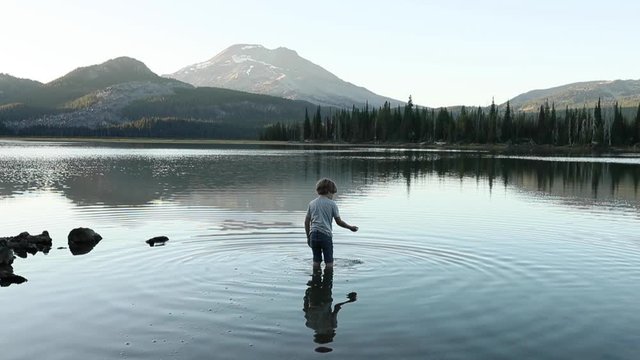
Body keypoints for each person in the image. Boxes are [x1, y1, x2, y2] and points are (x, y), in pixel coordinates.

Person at [304, 178, 358, 269]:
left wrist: (308, 237)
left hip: (313, 235)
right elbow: (339, 222)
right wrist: (350, 227)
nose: (333, 196)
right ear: (328, 191)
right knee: (329, 262)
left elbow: (306, 222)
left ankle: (315, 278)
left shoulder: (312, 203)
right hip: (325, 235)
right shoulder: (332, 204)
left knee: (316, 261)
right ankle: (328, 279)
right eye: (333, 193)